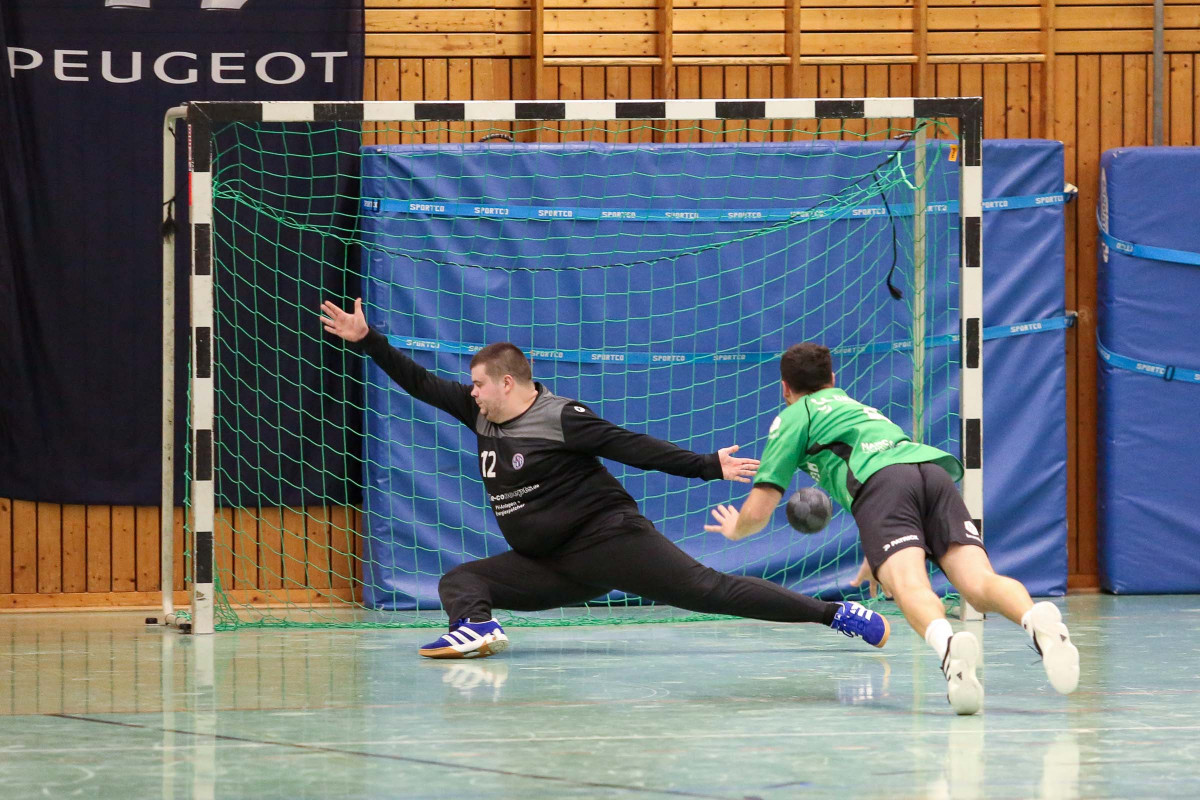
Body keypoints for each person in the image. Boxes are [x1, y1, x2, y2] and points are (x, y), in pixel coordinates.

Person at [320, 299, 890, 659]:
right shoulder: (478, 414)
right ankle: (475, 629)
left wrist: (707, 465)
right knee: (462, 582)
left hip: (609, 542)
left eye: (479, 384)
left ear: (508, 383)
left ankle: (837, 614)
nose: (472, 392)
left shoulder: (561, 418)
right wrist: (368, 339)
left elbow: (632, 447)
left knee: (709, 590)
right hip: (552, 566)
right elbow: (418, 382)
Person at [703, 342, 1079, 715]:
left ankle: (950, 649)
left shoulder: (793, 417)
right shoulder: (859, 408)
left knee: (909, 586)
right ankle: (1035, 620)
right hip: (931, 472)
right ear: (832, 378)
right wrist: (876, 550)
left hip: (883, 489)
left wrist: (737, 529)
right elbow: (892, 473)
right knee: (979, 583)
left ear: (785, 388)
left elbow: (761, 508)